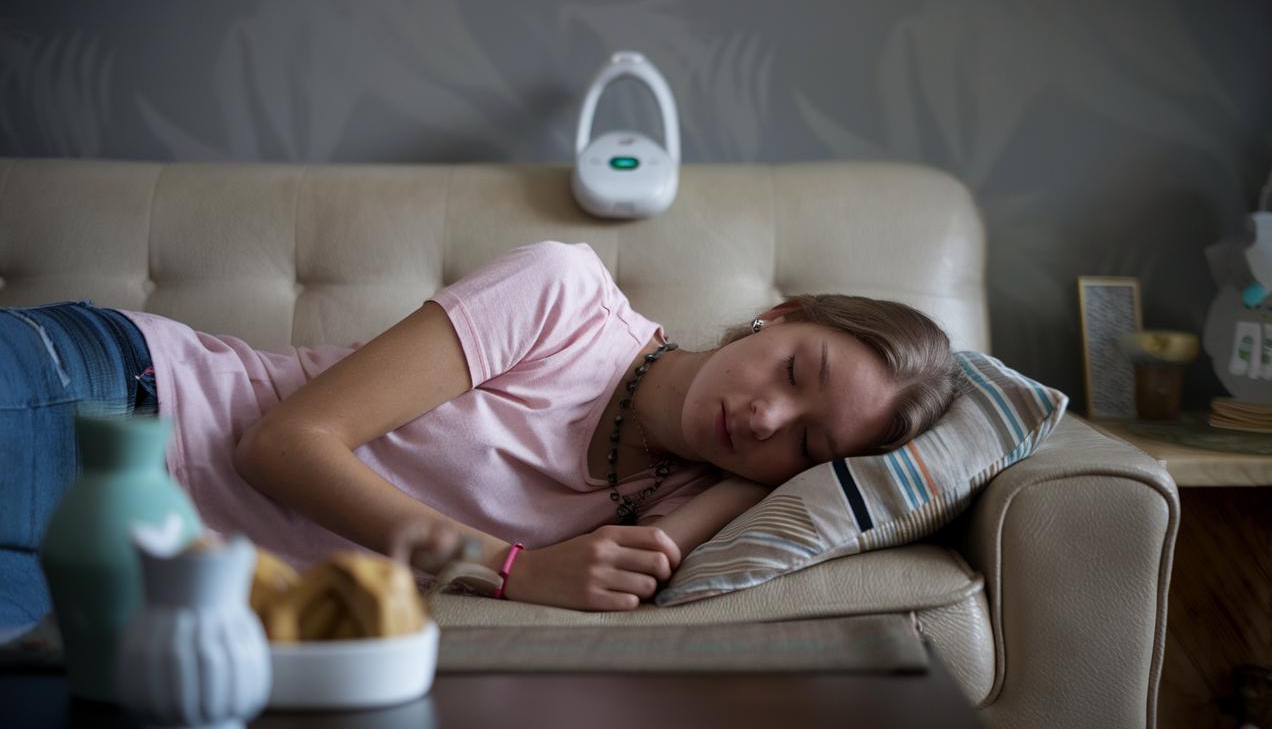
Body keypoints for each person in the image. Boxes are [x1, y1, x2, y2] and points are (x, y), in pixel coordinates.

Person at [0, 241, 958, 624]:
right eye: (794, 372)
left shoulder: (677, 502)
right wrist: (507, 569)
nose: (765, 419)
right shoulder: (565, 297)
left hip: (146, 568)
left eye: (807, 444)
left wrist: (773, 475)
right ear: (777, 315)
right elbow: (283, 445)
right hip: (116, 402)